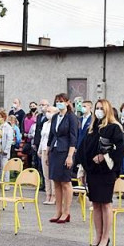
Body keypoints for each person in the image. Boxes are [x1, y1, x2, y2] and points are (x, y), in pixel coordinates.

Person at [78, 99, 124, 246]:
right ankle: (98, 236)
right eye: (97, 108)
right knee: (95, 204)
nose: (98, 110)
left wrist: (104, 155)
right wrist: (83, 167)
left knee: (105, 204)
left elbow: (121, 148)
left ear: (107, 110)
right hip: (93, 171)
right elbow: (83, 148)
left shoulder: (114, 128)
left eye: (101, 108)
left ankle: (106, 237)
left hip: (106, 171)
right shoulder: (92, 127)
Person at [47, 93, 80, 223]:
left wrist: (70, 156)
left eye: (61, 101)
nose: (59, 103)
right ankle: (58, 211)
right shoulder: (55, 117)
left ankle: (66, 212)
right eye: (57, 101)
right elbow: (51, 135)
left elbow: (73, 137)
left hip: (65, 151)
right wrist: (48, 152)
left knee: (65, 182)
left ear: (67, 102)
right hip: (55, 151)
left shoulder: (72, 117)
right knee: (56, 181)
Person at [37, 100, 56, 204]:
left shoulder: (55, 124)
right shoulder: (45, 124)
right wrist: (39, 150)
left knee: (52, 174)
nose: (48, 113)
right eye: (47, 111)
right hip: (43, 149)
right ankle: (48, 194)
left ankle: (54, 195)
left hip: (51, 150)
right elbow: (42, 138)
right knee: (46, 174)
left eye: (50, 111)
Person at [0, 110, 15, 179]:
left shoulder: (8, 127)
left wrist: (6, 150)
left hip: (4, 149)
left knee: (4, 167)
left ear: (3, 118)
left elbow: (9, 140)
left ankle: (6, 183)